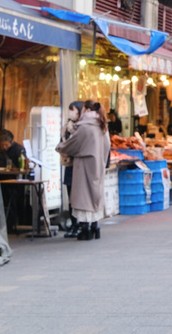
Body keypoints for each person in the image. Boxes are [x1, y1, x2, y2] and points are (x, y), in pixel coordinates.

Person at [55, 100, 110, 240]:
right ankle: (95, 227)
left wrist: (61, 147)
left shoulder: (85, 126)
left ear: (84, 109)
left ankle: (85, 230)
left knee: (83, 197)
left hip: (84, 164)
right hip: (97, 164)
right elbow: (107, 144)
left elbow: (74, 144)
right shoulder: (101, 124)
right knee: (93, 196)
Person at [60, 101, 83, 238]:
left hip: (80, 165)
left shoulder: (82, 127)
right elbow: (62, 142)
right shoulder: (66, 128)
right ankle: (74, 224)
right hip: (69, 165)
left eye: (73, 110)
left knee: (80, 197)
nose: (71, 112)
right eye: (69, 110)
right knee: (71, 198)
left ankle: (82, 224)